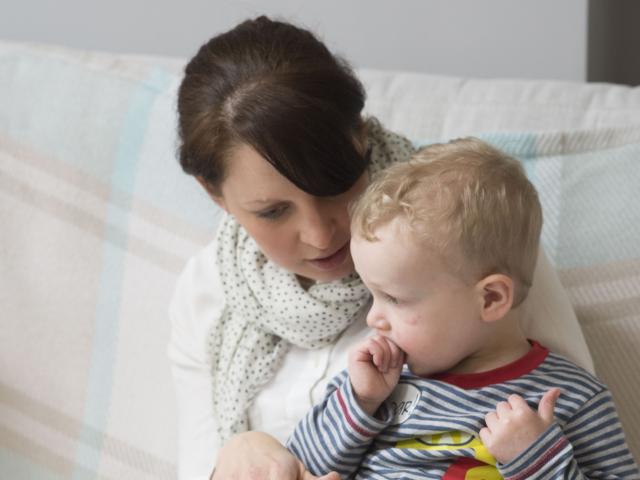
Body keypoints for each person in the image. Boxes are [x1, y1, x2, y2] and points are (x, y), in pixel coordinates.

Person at [168, 16, 594, 480]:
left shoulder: (474, 237)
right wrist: (237, 452)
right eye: (273, 211)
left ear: (361, 137)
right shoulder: (206, 290)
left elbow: (570, 413)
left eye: (335, 185)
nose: (320, 234)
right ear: (215, 196)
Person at [286, 138, 640, 479]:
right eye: (373, 296)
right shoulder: (377, 383)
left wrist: (538, 460)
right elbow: (301, 465)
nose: (373, 318)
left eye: (394, 299)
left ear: (490, 299)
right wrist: (360, 402)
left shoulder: (571, 397)